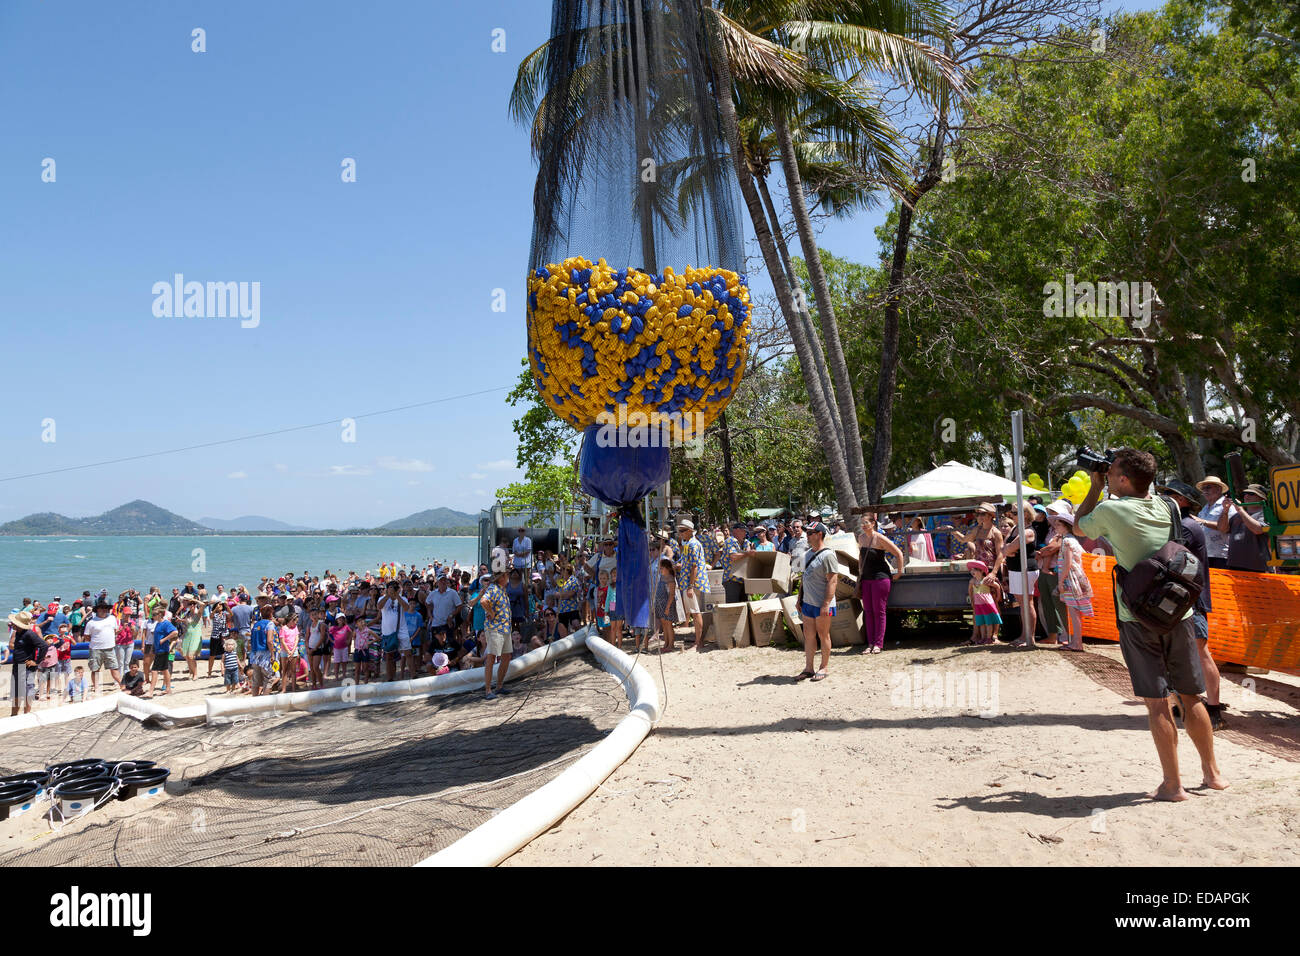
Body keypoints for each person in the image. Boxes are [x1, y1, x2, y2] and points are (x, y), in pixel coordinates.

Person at [1075, 447, 1227, 800]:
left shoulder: (1111, 509)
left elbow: (1081, 525)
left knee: (1157, 702)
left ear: (1123, 479)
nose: (1108, 475)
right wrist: (1109, 476)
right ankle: (1213, 774)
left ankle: (1173, 785)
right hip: (1179, 612)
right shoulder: (1167, 505)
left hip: (1137, 616)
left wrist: (1095, 488)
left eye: (1112, 472)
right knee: (1193, 697)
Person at [1158, 479, 1226, 730]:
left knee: (1200, 651)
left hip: (1191, 599)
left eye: (1170, 495)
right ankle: (1183, 703)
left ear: (1184, 501)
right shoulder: (1179, 524)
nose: (1165, 498)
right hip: (1179, 598)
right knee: (1177, 652)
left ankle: (1215, 708)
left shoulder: (1186, 526)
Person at [795, 522, 839, 682]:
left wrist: (826, 603)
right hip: (808, 602)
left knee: (823, 634)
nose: (807, 536)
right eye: (807, 533)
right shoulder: (807, 554)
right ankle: (808, 668)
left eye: (810, 533)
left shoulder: (828, 555)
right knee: (809, 635)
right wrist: (799, 598)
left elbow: (833, 581)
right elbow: (803, 578)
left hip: (822, 603)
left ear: (819, 534)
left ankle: (824, 667)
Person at [856, 514, 904, 654]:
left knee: (879, 611)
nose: (863, 525)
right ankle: (870, 643)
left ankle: (878, 643)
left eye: (866, 522)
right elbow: (861, 557)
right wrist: (860, 572)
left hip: (880, 578)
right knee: (868, 612)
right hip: (866, 578)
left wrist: (899, 572)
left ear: (873, 523)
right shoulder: (861, 538)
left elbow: (898, 553)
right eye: (862, 523)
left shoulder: (880, 537)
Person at [1049, 512, 1093, 652]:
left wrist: (1061, 582)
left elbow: (1067, 563)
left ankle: (1077, 643)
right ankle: (1076, 642)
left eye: (1058, 524)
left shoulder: (1067, 541)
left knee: (1074, 612)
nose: (1055, 526)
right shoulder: (1072, 540)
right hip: (1076, 578)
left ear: (1066, 526)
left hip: (1071, 579)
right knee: (1075, 611)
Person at [469, 564, 512, 700]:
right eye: (507, 575)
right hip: (495, 628)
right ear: (503, 577)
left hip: (505, 628)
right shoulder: (493, 589)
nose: (508, 578)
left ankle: (499, 686)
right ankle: (488, 690)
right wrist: (491, 612)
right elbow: (483, 601)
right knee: (491, 657)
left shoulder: (501, 589)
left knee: (506, 656)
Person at [1002, 502, 1041, 648]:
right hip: (1015, 569)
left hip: (1025, 569)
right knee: (1022, 603)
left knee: (1027, 602)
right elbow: (1003, 549)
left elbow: (1009, 548)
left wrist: (1009, 550)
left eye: (1014, 512)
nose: (1010, 514)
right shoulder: (1015, 528)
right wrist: (1008, 550)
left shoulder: (1028, 531)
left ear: (1025, 514)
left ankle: (1029, 637)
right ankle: (1023, 635)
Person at [1219, 483, 1272, 573]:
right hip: (1234, 566)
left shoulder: (1266, 515)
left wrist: (1240, 509)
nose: (1246, 496)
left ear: (1262, 498)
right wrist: (1225, 511)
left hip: (1258, 568)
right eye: (1245, 494)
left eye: (1251, 494)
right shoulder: (1237, 515)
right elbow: (1222, 529)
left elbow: (1257, 529)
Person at [83, 599, 121, 695]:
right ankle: (96, 687)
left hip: (110, 648)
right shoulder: (91, 622)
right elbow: (87, 637)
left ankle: (122, 684)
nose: (104, 610)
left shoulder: (112, 618)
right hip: (96, 649)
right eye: (101, 609)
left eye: (105, 608)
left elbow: (115, 631)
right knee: (95, 669)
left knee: (114, 667)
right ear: (97, 610)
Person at [1194, 476, 1232, 568]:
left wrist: (1203, 521)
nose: (1205, 490)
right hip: (1206, 555)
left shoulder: (1228, 505)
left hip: (1222, 556)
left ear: (1219, 489)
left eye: (1208, 487)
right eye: (1203, 488)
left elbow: (1225, 528)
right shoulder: (1205, 508)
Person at [964, 560, 1001, 645]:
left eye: (975, 570)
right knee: (981, 622)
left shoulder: (985, 580)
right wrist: (972, 600)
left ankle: (989, 638)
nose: (972, 572)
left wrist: (998, 597)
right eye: (971, 570)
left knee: (988, 621)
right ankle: (983, 637)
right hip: (978, 604)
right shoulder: (972, 581)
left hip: (987, 603)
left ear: (981, 571)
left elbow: (997, 586)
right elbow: (970, 591)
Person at [147, 607, 176, 698]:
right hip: (158, 649)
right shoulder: (158, 623)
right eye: (152, 615)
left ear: (160, 614)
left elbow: (175, 632)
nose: (153, 616)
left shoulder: (166, 623)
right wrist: (153, 647)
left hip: (163, 650)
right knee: (164, 669)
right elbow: (156, 637)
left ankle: (150, 691)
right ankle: (168, 689)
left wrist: (164, 639)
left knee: (154, 670)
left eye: (154, 615)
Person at [721, 522, 749, 603]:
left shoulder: (746, 542)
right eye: (743, 531)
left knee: (744, 607)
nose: (745, 533)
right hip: (732, 579)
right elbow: (733, 556)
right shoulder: (730, 541)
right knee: (733, 608)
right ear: (736, 530)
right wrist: (747, 554)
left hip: (743, 579)